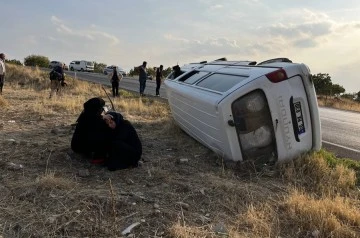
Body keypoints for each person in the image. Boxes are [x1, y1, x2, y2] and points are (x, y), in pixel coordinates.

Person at [71, 97, 112, 163]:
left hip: (75, 145)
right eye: (101, 107)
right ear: (97, 108)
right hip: (81, 147)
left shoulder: (85, 114)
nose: (102, 109)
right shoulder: (96, 120)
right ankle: (99, 158)